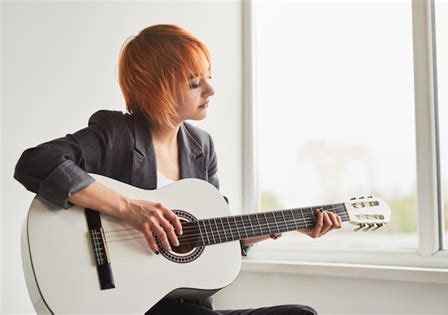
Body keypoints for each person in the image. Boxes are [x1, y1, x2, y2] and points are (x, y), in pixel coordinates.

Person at [14, 24, 341, 315]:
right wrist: (128, 208)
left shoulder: (201, 147)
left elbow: (216, 235)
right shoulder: (115, 132)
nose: (210, 91)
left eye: (208, 79)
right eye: (195, 83)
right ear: (159, 87)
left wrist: (286, 224)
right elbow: (36, 162)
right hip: (126, 303)